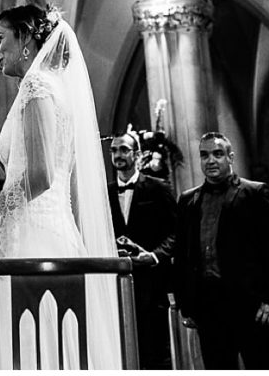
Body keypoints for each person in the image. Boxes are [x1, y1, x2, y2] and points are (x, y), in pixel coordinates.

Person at [0, 4, 121, 369]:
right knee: (38, 339)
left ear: (25, 39)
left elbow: (40, 179)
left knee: (43, 342)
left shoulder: (38, 88)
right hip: (32, 229)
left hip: (40, 236)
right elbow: (23, 170)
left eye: (1, 39)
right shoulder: (43, 87)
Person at [173, 132, 269, 369]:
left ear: (230, 157)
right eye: (204, 155)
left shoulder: (254, 193)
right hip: (208, 308)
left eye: (217, 154)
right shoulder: (187, 200)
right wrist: (186, 302)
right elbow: (183, 253)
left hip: (252, 306)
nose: (210, 160)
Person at [108, 130, 176, 370]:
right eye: (114, 150)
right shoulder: (103, 194)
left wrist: (155, 255)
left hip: (151, 283)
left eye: (124, 149)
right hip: (115, 285)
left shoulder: (158, 187)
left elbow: (176, 232)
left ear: (136, 154)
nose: (118, 154)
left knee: (156, 353)